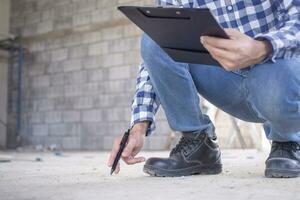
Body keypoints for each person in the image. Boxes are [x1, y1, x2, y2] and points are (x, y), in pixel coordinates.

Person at [108, 0, 300, 178]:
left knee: (277, 71)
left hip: (277, 76)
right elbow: (160, 52)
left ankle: (289, 140)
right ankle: (198, 142)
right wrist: (138, 126)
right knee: (155, 40)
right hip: (225, 81)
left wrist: (261, 48)